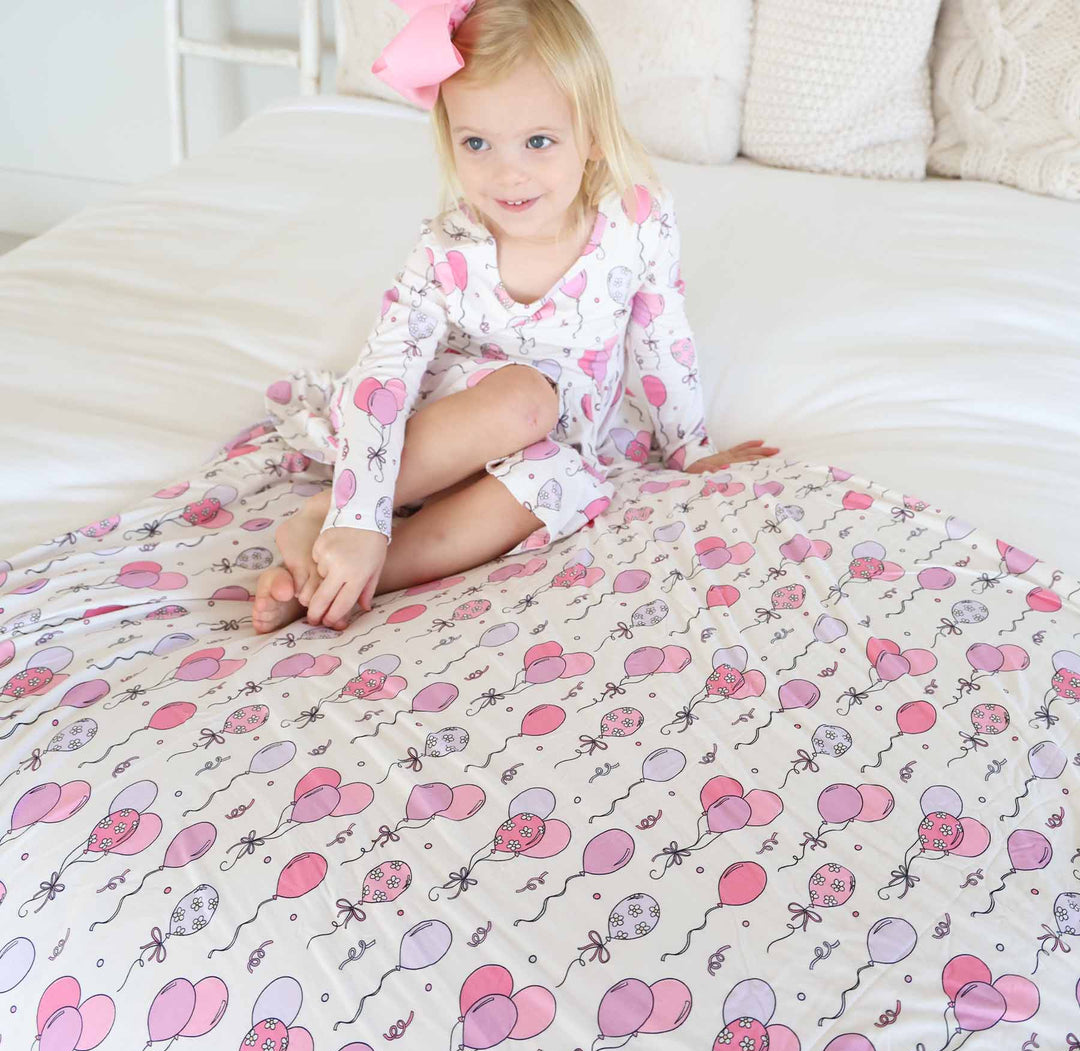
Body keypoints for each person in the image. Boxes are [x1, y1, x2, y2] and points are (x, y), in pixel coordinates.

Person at [252, 0, 778, 634]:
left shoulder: (636, 221)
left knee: (563, 484)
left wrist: (691, 449)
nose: (508, 173)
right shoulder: (449, 249)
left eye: (538, 141)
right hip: (442, 435)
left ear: (590, 135)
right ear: (448, 139)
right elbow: (384, 373)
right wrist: (360, 511)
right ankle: (340, 514)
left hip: (557, 441)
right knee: (523, 400)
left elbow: (661, 334)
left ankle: (341, 579)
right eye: (477, 142)